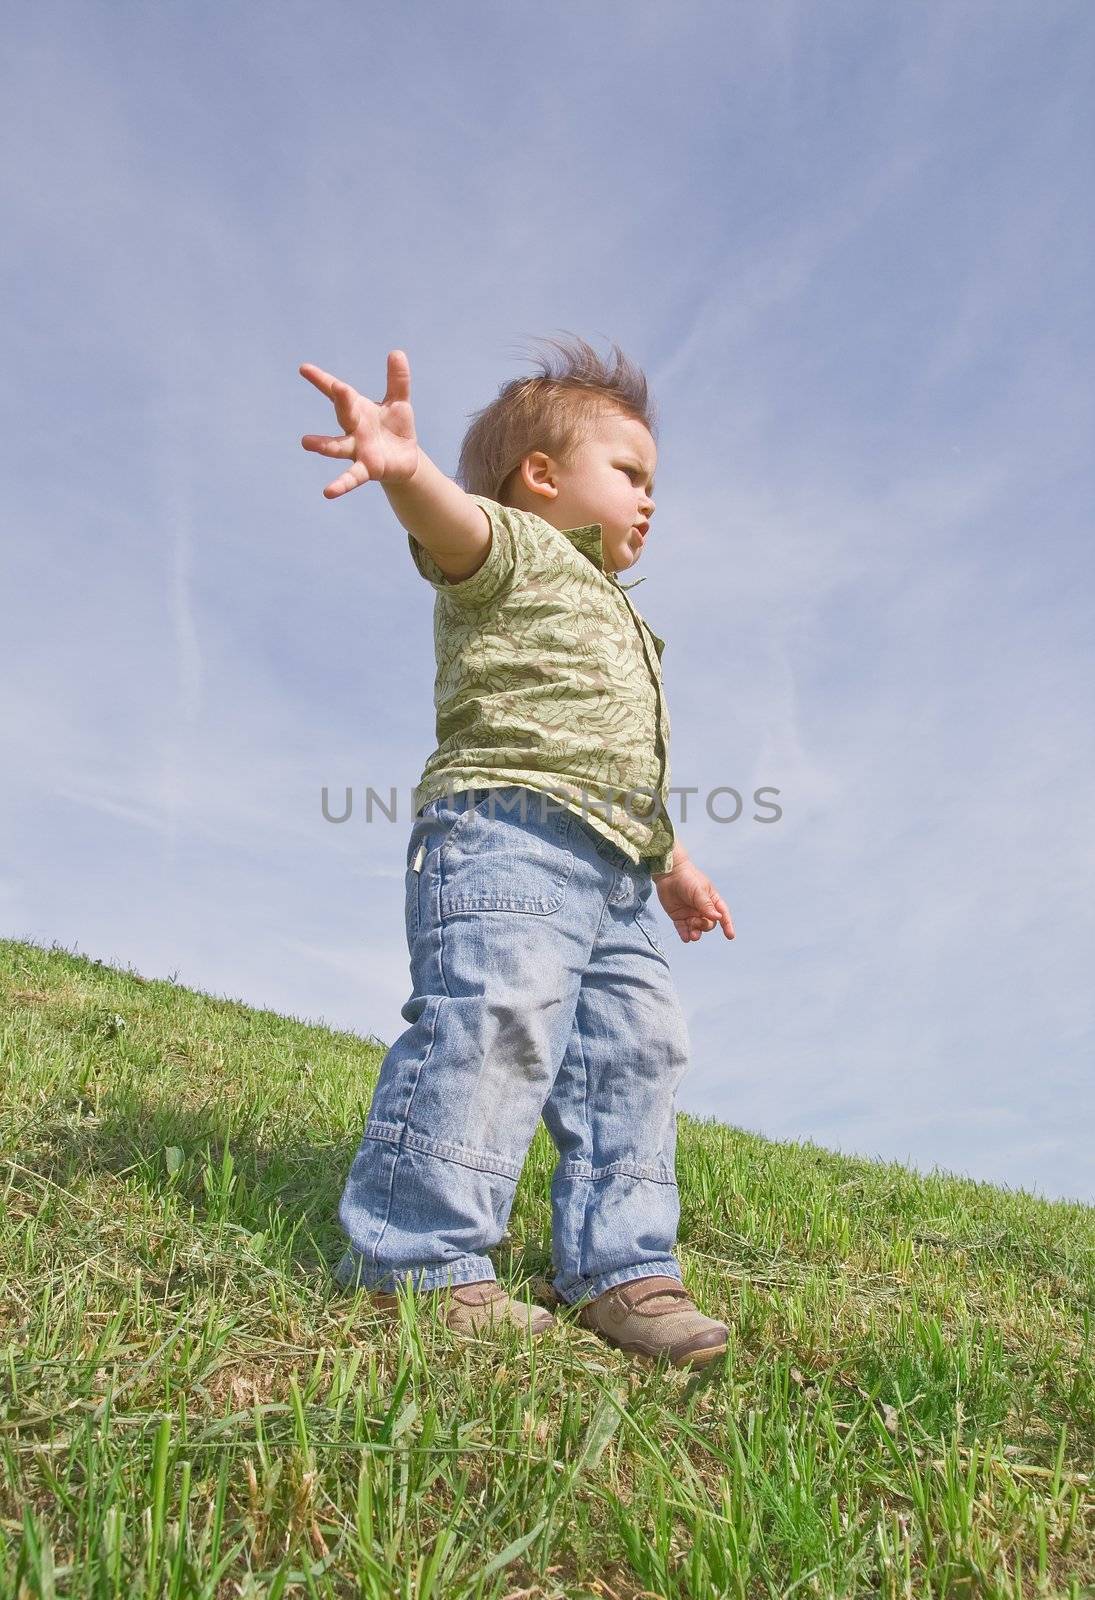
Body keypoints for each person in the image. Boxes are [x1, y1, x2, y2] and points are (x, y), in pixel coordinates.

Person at [299, 335, 735, 1369]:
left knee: (637, 1050)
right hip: (508, 837)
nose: (650, 498)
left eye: (652, 481)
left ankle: (621, 1264)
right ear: (541, 477)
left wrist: (672, 862)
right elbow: (454, 530)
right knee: (498, 1022)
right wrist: (408, 473)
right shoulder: (513, 549)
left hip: (617, 869)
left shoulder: (627, 620)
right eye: (631, 473)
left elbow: (624, 761)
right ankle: (422, 1258)